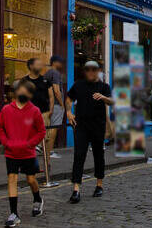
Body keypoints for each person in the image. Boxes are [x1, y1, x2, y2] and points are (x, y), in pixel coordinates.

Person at [0, 79, 46, 226]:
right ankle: (14, 214)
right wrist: (6, 142)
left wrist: (30, 144)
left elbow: (41, 131)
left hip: (28, 153)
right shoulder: (6, 110)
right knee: (12, 179)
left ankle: (38, 199)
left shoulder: (35, 111)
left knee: (31, 180)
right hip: (11, 153)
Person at [67, 60, 113, 203]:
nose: (91, 72)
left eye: (94, 69)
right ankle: (76, 189)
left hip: (98, 126)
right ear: (85, 71)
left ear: (98, 71)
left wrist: (104, 97)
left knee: (99, 155)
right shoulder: (78, 85)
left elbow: (112, 101)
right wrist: (68, 112)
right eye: (88, 69)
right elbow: (68, 98)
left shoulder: (104, 86)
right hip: (81, 126)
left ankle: (99, 185)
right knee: (79, 155)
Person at [22, 58, 56, 157]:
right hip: (29, 112)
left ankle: (44, 155)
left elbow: (51, 96)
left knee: (45, 135)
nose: (40, 66)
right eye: (38, 64)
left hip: (44, 112)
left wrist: (51, 109)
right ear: (31, 66)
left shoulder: (45, 80)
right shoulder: (25, 80)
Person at [43, 55, 66, 159]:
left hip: (48, 104)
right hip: (56, 104)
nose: (61, 64)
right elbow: (57, 91)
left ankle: (44, 149)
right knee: (54, 128)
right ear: (55, 62)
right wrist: (62, 104)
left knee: (48, 127)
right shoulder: (55, 73)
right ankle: (50, 151)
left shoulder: (47, 73)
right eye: (60, 62)